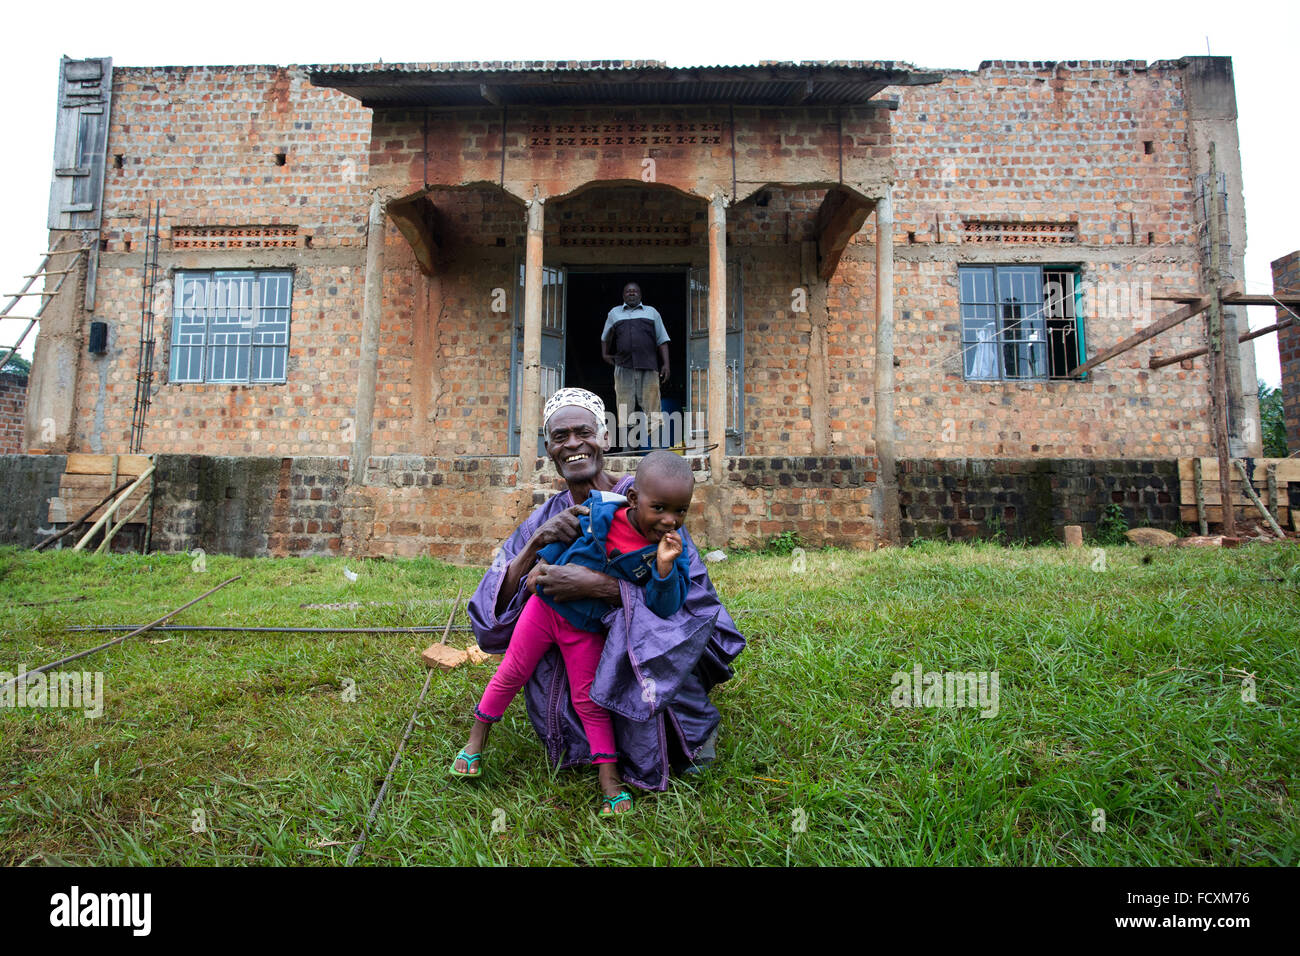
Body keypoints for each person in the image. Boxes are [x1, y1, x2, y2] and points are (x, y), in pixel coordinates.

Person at [466, 387, 744, 794]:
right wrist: (534, 546)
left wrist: (600, 588)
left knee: (651, 637)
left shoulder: (652, 502)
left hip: (635, 653)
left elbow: (695, 608)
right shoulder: (544, 518)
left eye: (584, 432)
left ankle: (675, 735)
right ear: (549, 449)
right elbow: (489, 619)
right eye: (561, 437)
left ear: (606, 439)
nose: (574, 443)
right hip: (572, 647)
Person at [451, 451, 696, 817]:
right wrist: (542, 564)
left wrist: (663, 568)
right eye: (659, 508)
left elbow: (665, 606)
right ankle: (475, 741)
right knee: (510, 673)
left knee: (589, 700)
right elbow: (564, 542)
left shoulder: (667, 552)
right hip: (544, 610)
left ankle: (609, 780)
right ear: (634, 499)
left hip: (586, 630)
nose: (668, 520)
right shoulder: (601, 514)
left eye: (680, 511)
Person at [601, 282, 670, 448]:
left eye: (635, 291)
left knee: (652, 407)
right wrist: (605, 354)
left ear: (640, 294)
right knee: (625, 408)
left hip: (649, 367)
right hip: (623, 368)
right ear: (623, 295)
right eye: (628, 291)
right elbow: (606, 337)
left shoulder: (651, 312)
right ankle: (628, 448)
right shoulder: (614, 313)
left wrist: (666, 364)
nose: (631, 293)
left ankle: (656, 448)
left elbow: (662, 340)